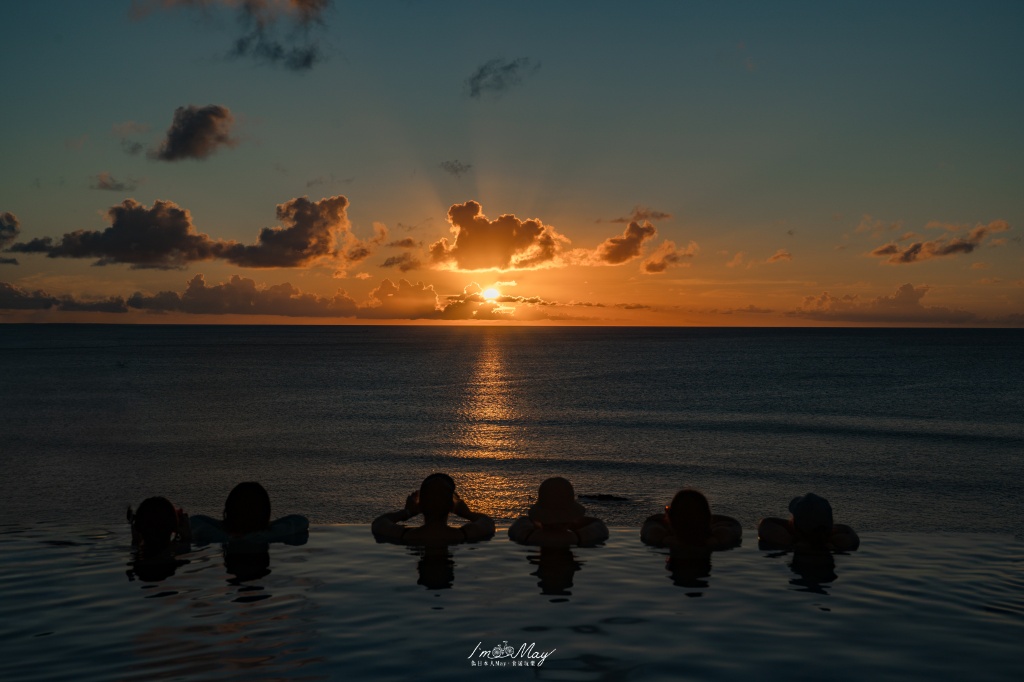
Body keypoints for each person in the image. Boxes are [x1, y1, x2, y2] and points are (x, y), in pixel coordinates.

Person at [371, 473, 495, 544]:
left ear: (421, 506)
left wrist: (407, 512)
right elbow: (487, 522)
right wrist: (466, 513)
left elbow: (379, 523)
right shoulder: (466, 535)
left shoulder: (403, 536)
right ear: (451, 507)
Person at [190, 481, 309, 545]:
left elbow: (195, 521)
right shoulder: (271, 535)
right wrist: (266, 526)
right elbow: (301, 521)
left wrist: (226, 525)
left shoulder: (218, 536)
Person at [508, 477, 608, 547]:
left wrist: (541, 524)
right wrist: (571, 523)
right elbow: (598, 524)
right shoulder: (582, 538)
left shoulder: (524, 536)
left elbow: (524, 520)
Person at [640, 488, 742, 550]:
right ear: (708, 518)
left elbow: (651, 521)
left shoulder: (657, 537)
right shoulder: (721, 539)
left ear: (670, 519)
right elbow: (733, 523)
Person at [757, 492, 860, 551]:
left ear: (796, 525)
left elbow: (766, 523)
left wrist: (795, 537)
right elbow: (847, 530)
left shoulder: (788, 542)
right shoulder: (841, 543)